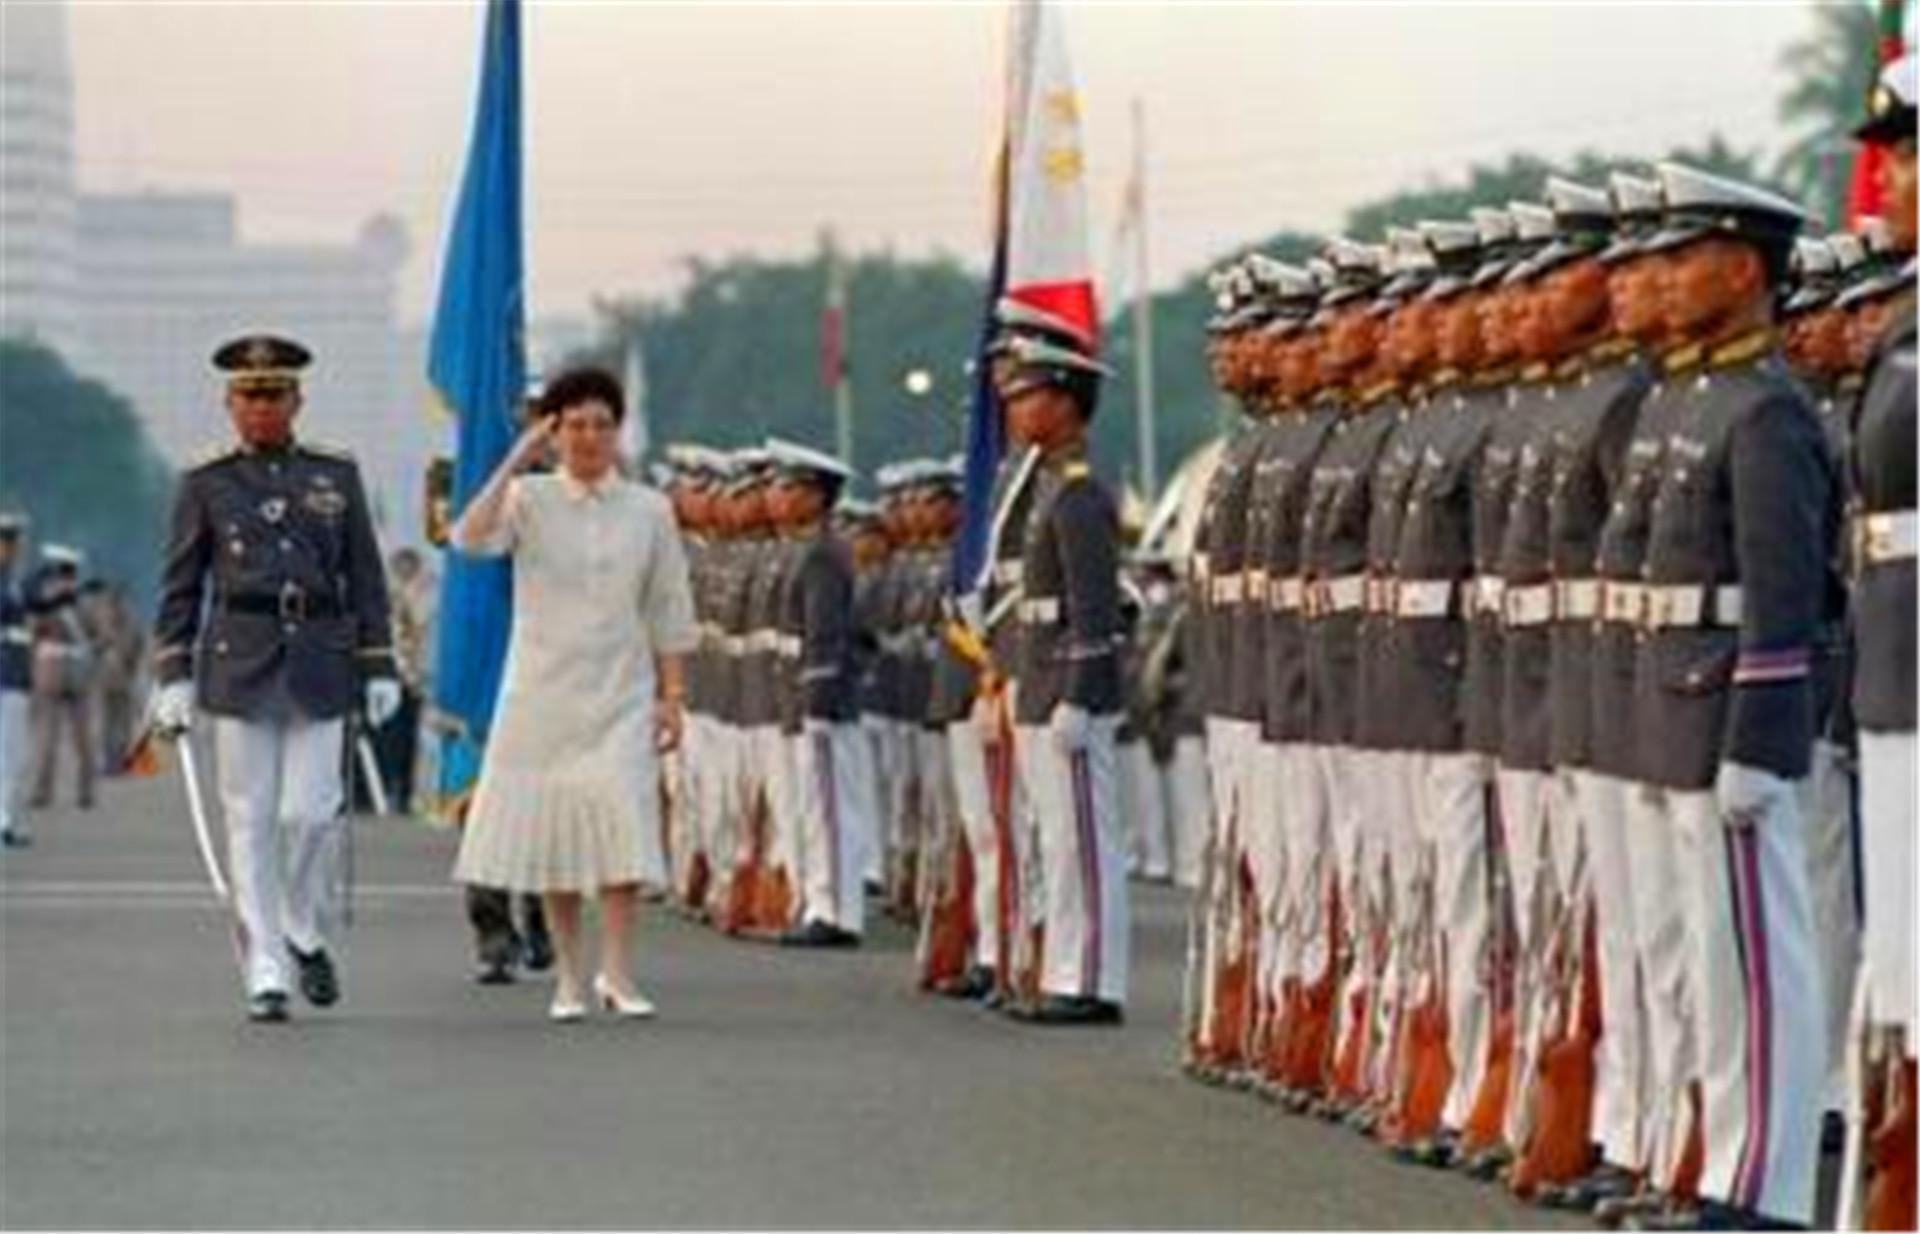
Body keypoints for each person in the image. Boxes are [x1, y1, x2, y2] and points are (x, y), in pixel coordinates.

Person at [149, 333, 402, 1023]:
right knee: (250, 819)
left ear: (298, 398)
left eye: (274, 394)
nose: (261, 408)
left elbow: (366, 576)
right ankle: (263, 962)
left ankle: (299, 921)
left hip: (321, 653)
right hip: (239, 655)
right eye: (248, 395)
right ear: (229, 403)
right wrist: (171, 673)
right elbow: (180, 585)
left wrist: (379, 662)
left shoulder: (335, 474)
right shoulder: (206, 479)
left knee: (310, 812)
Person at [449, 366, 698, 1022]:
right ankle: (568, 978)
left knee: (622, 825)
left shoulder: (650, 509)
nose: (589, 437)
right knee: (557, 837)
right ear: (555, 432)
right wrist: (514, 460)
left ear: (619, 431)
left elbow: (669, 605)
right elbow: (468, 539)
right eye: (575, 425)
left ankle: (618, 972)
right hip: (542, 694)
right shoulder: (529, 498)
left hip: (621, 692)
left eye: (602, 424)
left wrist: (672, 695)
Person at [998, 330, 1129, 1026]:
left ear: (1066, 403)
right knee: (1057, 836)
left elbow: (1094, 610)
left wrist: (1080, 693)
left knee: (1082, 837)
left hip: (1068, 686)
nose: (1017, 409)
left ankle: (1093, 979)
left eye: (1030, 396)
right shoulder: (1046, 486)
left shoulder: (1078, 497)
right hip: (1038, 677)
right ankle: (1064, 971)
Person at [1846, 50, 1916, 1234]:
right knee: (1900, 959)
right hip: (1895, 671)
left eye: (1908, 155)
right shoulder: (1905, 318)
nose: (1887, 180)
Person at [765, 437, 868, 947]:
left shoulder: (825, 554)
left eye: (788, 487)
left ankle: (835, 910)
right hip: (796, 695)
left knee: (829, 810)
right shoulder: (801, 549)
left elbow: (825, 634)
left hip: (820, 700)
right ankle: (818, 901)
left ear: (815, 496)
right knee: (811, 809)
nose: (776, 496)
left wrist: (818, 700)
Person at [26, 545, 96, 812]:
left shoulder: (63, 599)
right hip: (65, 670)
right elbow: (97, 634)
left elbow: (34, 632)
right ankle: (69, 792)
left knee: (65, 737)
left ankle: (61, 793)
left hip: (61, 671)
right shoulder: (73, 600)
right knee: (65, 738)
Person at [0, 513, 32, 848]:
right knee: (7, 753)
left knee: (12, 754)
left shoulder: (12, 579)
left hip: (14, 673)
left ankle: (5, 819)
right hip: (5, 673)